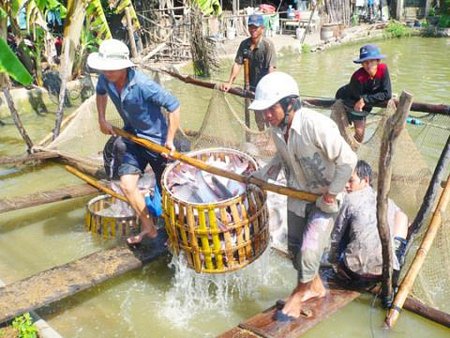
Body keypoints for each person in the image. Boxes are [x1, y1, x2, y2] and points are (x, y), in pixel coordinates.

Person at [248, 72, 357, 320]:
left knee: (309, 250)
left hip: (323, 199)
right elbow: (281, 158)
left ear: (289, 104)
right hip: (297, 195)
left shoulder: (315, 125)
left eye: (270, 109)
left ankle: (298, 295)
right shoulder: (277, 130)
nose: (265, 116)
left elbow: (348, 160)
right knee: (295, 249)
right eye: (263, 110)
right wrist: (261, 176)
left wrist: (332, 192)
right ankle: (315, 288)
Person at [87, 39, 181, 245]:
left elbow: (174, 106)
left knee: (168, 191)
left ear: (124, 66)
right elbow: (100, 93)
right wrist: (101, 118)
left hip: (157, 143)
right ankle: (149, 228)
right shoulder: (106, 79)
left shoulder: (144, 85)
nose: (107, 73)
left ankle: (176, 233)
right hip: (132, 137)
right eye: (104, 69)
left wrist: (170, 141)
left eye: (111, 69)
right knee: (127, 185)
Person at [329, 160, 408, 284]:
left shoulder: (349, 199)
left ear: (365, 180)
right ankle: (396, 259)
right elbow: (402, 217)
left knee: (345, 227)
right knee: (401, 216)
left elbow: (335, 237)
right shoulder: (387, 201)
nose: (346, 186)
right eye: (345, 181)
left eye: (351, 181)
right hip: (385, 272)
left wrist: (333, 262)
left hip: (352, 272)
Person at [220, 14, 276, 131]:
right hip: (251, 87)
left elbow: (272, 69)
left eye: (255, 27)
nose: (253, 30)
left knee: (269, 116)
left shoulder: (268, 45)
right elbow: (237, 63)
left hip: (265, 88)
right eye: (250, 27)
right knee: (258, 116)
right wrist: (229, 83)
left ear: (262, 28)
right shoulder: (244, 44)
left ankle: (272, 138)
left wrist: (270, 89)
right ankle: (262, 133)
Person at [335, 44, 392, 143]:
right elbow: (358, 101)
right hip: (346, 98)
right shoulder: (358, 77)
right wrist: (365, 100)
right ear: (361, 64)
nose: (368, 65)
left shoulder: (383, 70)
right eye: (365, 62)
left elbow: (387, 94)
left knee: (359, 134)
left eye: (371, 61)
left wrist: (366, 99)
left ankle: (352, 150)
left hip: (362, 101)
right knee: (354, 132)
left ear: (378, 61)